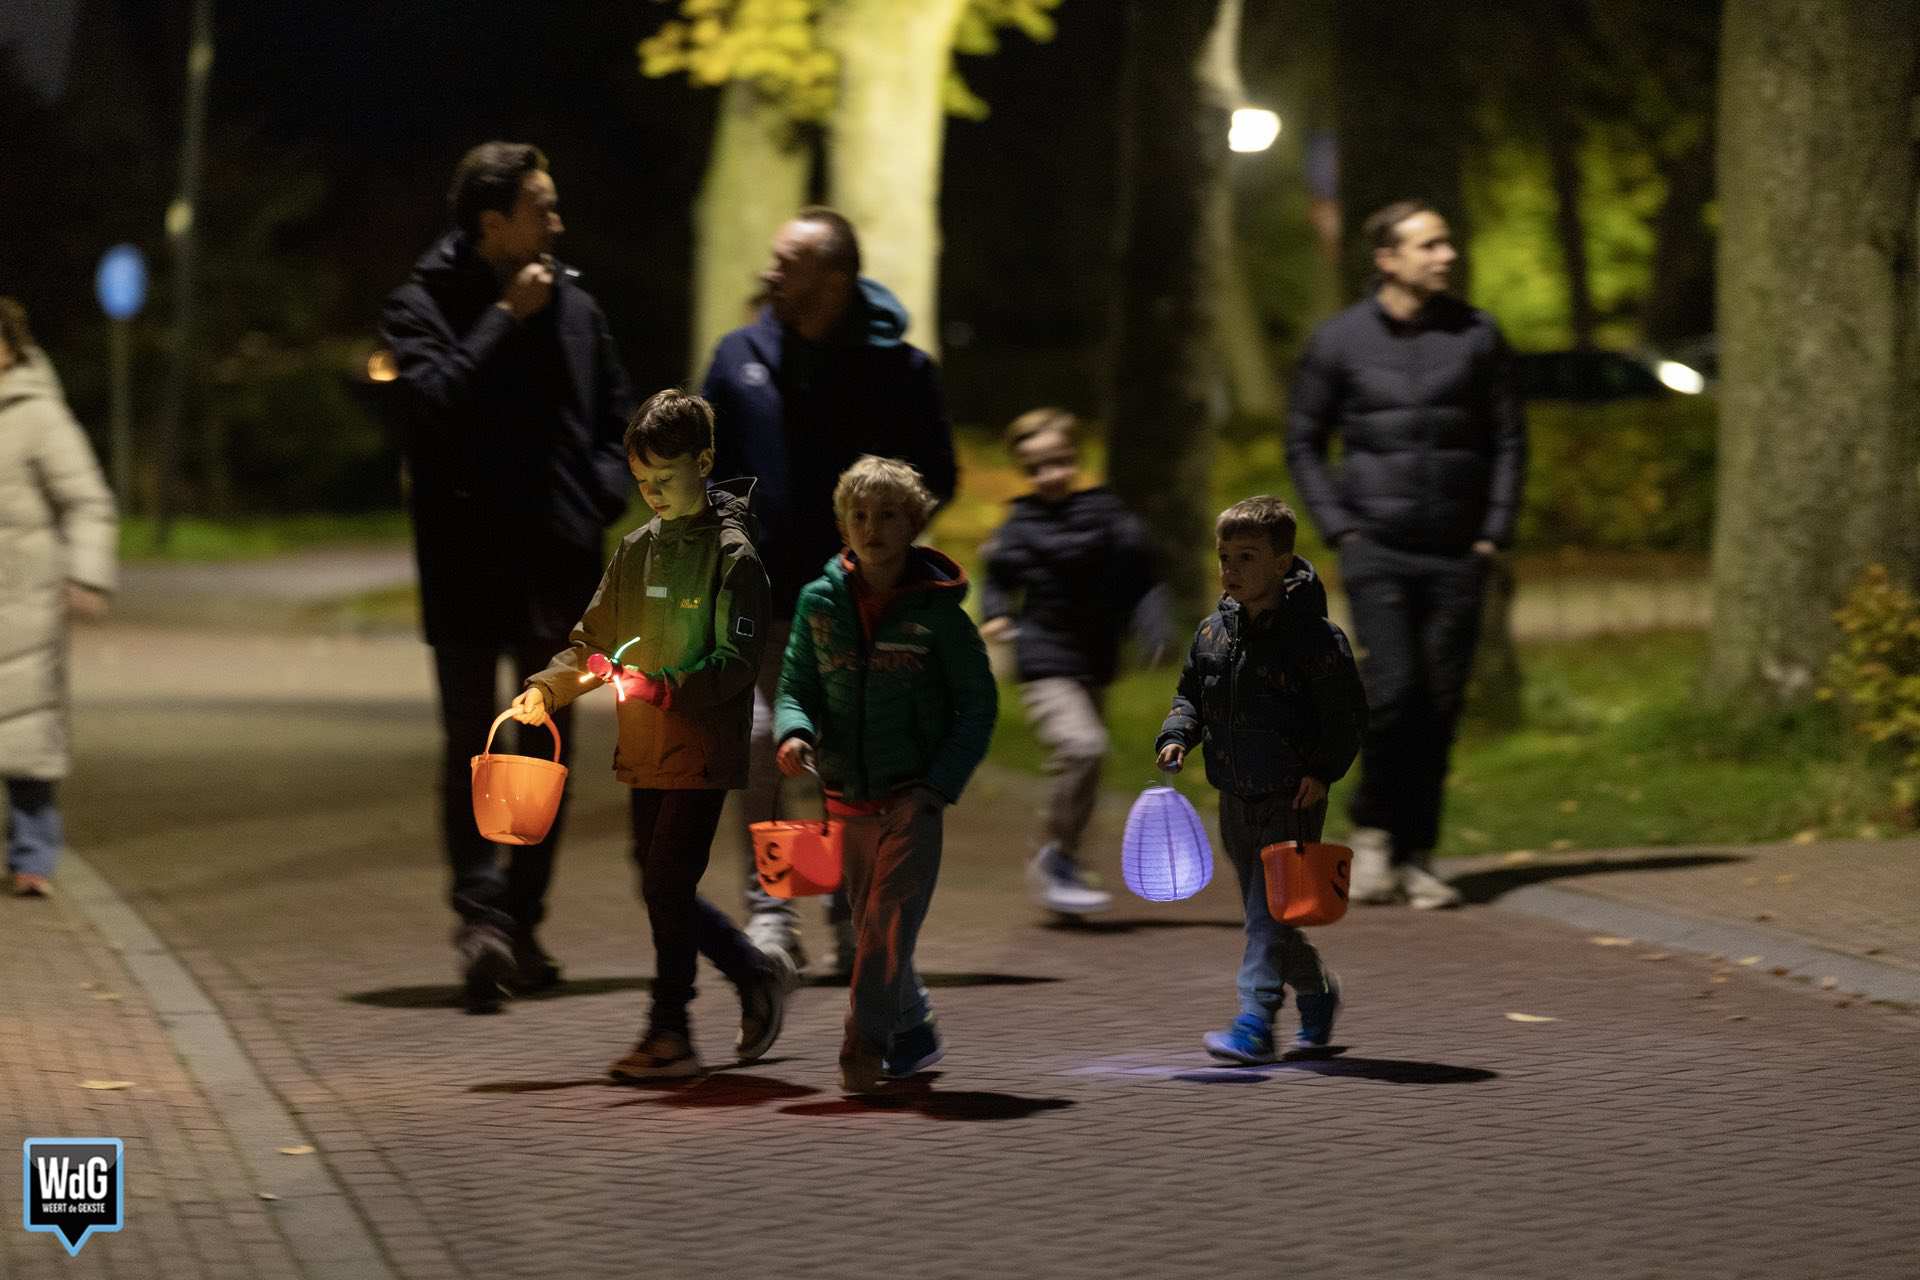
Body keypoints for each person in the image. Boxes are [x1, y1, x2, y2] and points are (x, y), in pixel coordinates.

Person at [381, 141, 636, 1009]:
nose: (559, 223)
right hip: (462, 561)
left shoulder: (576, 307)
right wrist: (501, 318)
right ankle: (479, 914)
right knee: (470, 746)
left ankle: (518, 920)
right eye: (542, 208)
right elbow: (429, 405)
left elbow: (615, 419)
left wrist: (593, 501)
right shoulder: (422, 303)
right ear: (494, 224)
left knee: (538, 745)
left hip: (555, 560)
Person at [701, 207, 958, 975]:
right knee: (764, 751)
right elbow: (706, 464)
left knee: (844, 766)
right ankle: (774, 914)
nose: (772, 271)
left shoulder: (899, 371)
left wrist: (886, 533)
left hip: (858, 604)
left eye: (791, 261)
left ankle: (849, 917)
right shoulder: (740, 356)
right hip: (761, 598)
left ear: (836, 277)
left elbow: (937, 474)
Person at [509, 389, 793, 1079]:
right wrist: (548, 687)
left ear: (705, 462)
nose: (654, 495)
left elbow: (733, 664)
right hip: (643, 748)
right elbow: (592, 639)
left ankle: (672, 1030)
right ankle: (749, 971)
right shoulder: (637, 550)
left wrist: (664, 686)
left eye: (666, 480)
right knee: (658, 883)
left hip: (700, 749)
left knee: (666, 880)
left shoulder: (734, 559)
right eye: (643, 483)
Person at [1284, 199, 1527, 909]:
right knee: (1394, 693)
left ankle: (1417, 851)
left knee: (1442, 703)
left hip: (1459, 552)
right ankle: (1372, 830)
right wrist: (1341, 529)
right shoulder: (1339, 342)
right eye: (1428, 245)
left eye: (1447, 242)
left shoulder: (1480, 336)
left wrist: (1494, 531)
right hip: (1378, 549)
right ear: (1387, 259)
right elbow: (1303, 440)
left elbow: (1509, 438)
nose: (1446, 255)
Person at [772, 456, 995, 1094]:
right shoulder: (819, 603)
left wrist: (937, 785)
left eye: (889, 515)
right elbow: (797, 685)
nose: (873, 528)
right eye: (860, 517)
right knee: (871, 921)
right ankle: (914, 1028)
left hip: (912, 798)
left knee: (888, 922)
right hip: (845, 796)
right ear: (843, 527)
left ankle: (862, 1043)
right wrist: (795, 730)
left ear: (916, 524)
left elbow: (977, 706)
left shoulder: (940, 617)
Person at [1155, 497, 1364, 1064]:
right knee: (1268, 910)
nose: (1231, 570)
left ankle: (1254, 1020)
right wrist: (1177, 734)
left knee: (1265, 913)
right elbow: (1190, 695)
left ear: (1281, 562)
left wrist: (1322, 771)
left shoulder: (1315, 640)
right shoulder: (1211, 634)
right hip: (1234, 795)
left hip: (1291, 797)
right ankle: (1317, 992)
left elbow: (1345, 717)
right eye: (1224, 557)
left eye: (1247, 557)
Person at [978, 408, 1174, 916]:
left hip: (1096, 659)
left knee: (1086, 762)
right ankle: (1056, 857)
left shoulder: (1108, 516)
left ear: (1076, 458)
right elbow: (998, 576)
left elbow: (1143, 578)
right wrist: (997, 613)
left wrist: (1154, 628)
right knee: (1083, 747)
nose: (1050, 476)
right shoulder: (1020, 525)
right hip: (1044, 658)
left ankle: (1062, 861)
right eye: (1036, 468)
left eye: (1060, 462)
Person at [0, 298, 116, 899]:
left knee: (27, 737)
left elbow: (87, 501)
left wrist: (87, 574)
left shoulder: (38, 416)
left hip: (23, 597)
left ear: (11, 348)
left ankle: (32, 857)